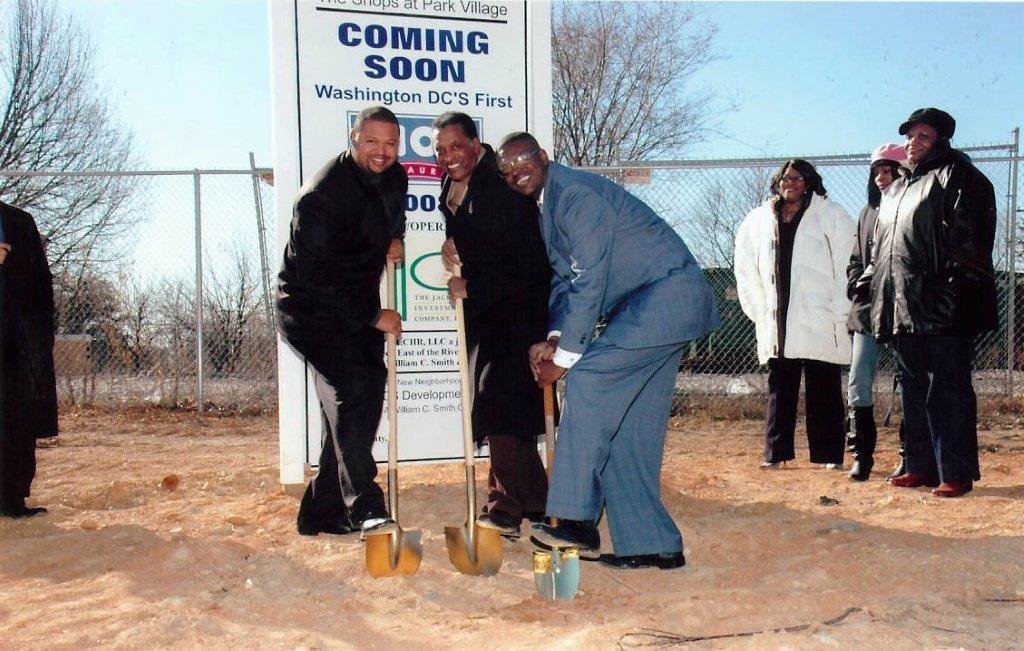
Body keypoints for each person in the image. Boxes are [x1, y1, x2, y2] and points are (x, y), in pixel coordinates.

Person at [496, 132, 719, 571]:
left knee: (590, 379)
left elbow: (588, 276)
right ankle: (652, 543)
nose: (516, 172)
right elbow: (565, 281)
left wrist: (564, 360)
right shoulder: (549, 205)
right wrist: (557, 338)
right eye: (506, 169)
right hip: (651, 306)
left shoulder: (575, 195)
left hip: (666, 298)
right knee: (627, 429)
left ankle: (576, 520)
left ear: (543, 157)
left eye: (523, 160)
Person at [276, 106, 406, 535]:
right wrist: (374, 315)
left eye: (390, 143)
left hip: (353, 305)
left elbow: (392, 216)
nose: (381, 152)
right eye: (372, 141)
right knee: (356, 388)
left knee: (359, 399)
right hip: (310, 310)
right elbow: (315, 278)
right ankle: (364, 504)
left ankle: (320, 513)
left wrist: (395, 238)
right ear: (353, 137)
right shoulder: (322, 195)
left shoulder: (395, 176)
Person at [432, 112, 552, 538]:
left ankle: (506, 508)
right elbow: (474, 236)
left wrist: (472, 285)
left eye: (456, 147)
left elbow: (525, 263)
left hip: (518, 309)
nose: (449, 157)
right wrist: (454, 242)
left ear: (476, 143)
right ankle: (535, 504)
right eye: (441, 150)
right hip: (486, 315)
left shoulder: (499, 187)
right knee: (507, 412)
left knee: (499, 404)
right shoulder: (450, 185)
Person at [866, 108, 996, 498]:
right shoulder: (899, 187)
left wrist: (953, 292)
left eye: (923, 136)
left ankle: (954, 471)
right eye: (909, 136)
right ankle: (920, 466)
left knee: (948, 390)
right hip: (903, 307)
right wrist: (875, 291)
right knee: (912, 388)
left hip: (944, 307)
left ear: (940, 140)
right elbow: (885, 251)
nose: (913, 143)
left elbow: (971, 242)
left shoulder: (960, 176)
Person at [734, 160, 856, 471]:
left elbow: (847, 262)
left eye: (798, 178)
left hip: (820, 315)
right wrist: (758, 309)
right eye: (786, 178)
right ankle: (776, 454)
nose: (791, 183)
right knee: (780, 388)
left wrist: (841, 308)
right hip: (778, 319)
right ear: (778, 182)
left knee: (824, 388)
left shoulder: (830, 215)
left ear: (809, 182)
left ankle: (829, 455)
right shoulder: (757, 220)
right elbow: (745, 267)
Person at [845, 143, 908, 482]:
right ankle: (861, 456)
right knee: (859, 378)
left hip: (902, 308)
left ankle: (908, 455)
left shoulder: (912, 205)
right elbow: (856, 258)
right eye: (877, 172)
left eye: (889, 171)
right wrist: (856, 283)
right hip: (868, 309)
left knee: (908, 381)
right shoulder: (867, 211)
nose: (882, 178)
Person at [0, 201, 57, 518]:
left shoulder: (19, 222)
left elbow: (40, 281)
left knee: (17, 417)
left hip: (15, 339)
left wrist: (40, 335)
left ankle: (11, 499)